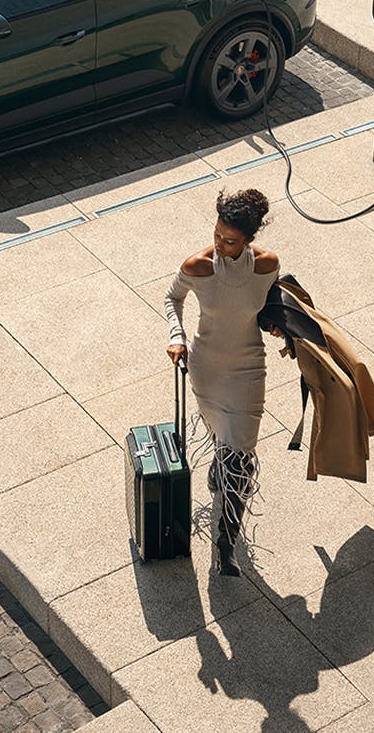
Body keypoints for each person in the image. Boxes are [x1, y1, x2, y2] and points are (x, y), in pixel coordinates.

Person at [164, 188, 281, 577]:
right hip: (207, 368)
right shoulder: (198, 266)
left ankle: (225, 542)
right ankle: (220, 453)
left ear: (248, 239)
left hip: (248, 367)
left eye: (229, 241)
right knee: (223, 437)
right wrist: (177, 337)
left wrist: (275, 324)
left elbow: (265, 304)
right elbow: (172, 299)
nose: (219, 244)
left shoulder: (267, 265)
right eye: (216, 235)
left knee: (241, 455)